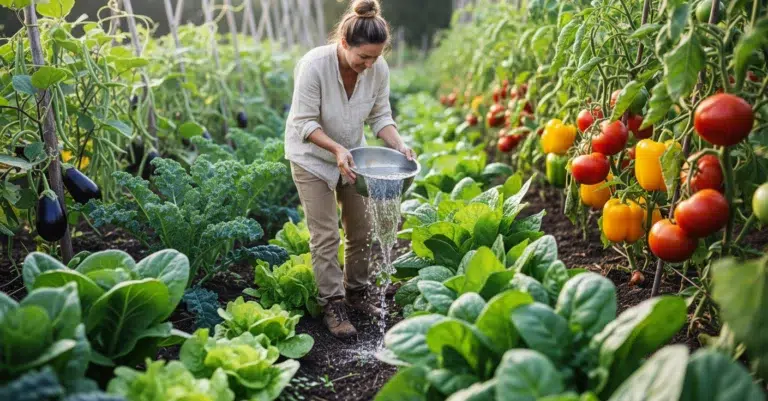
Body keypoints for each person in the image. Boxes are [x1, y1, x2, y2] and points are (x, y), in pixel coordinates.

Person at [283, 0, 414, 338]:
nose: (369, 65)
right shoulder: (314, 66)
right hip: (311, 158)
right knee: (325, 235)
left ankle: (356, 294)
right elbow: (303, 122)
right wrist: (336, 148)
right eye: (363, 58)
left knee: (360, 229)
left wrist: (398, 144)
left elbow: (381, 117)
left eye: (376, 57)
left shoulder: (377, 69)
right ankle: (333, 304)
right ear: (344, 44)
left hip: (352, 159)